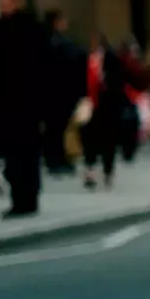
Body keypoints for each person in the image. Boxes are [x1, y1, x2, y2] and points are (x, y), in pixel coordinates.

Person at [0, 0, 51, 218]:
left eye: (7, 0)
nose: (3, 5)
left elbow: (43, 67)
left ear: (17, 2)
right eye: (1, 0)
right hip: (2, 104)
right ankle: (20, 197)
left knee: (26, 153)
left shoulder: (31, 30)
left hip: (26, 102)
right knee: (11, 153)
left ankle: (28, 197)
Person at [81, 36, 134, 190]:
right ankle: (90, 170)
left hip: (108, 108)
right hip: (91, 106)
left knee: (108, 141)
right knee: (89, 139)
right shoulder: (85, 59)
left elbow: (119, 82)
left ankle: (107, 171)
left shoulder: (111, 60)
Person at [40, 11, 86, 176]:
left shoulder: (42, 42)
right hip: (61, 92)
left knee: (53, 128)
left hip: (48, 93)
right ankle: (57, 160)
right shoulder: (61, 44)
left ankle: (54, 159)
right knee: (58, 128)